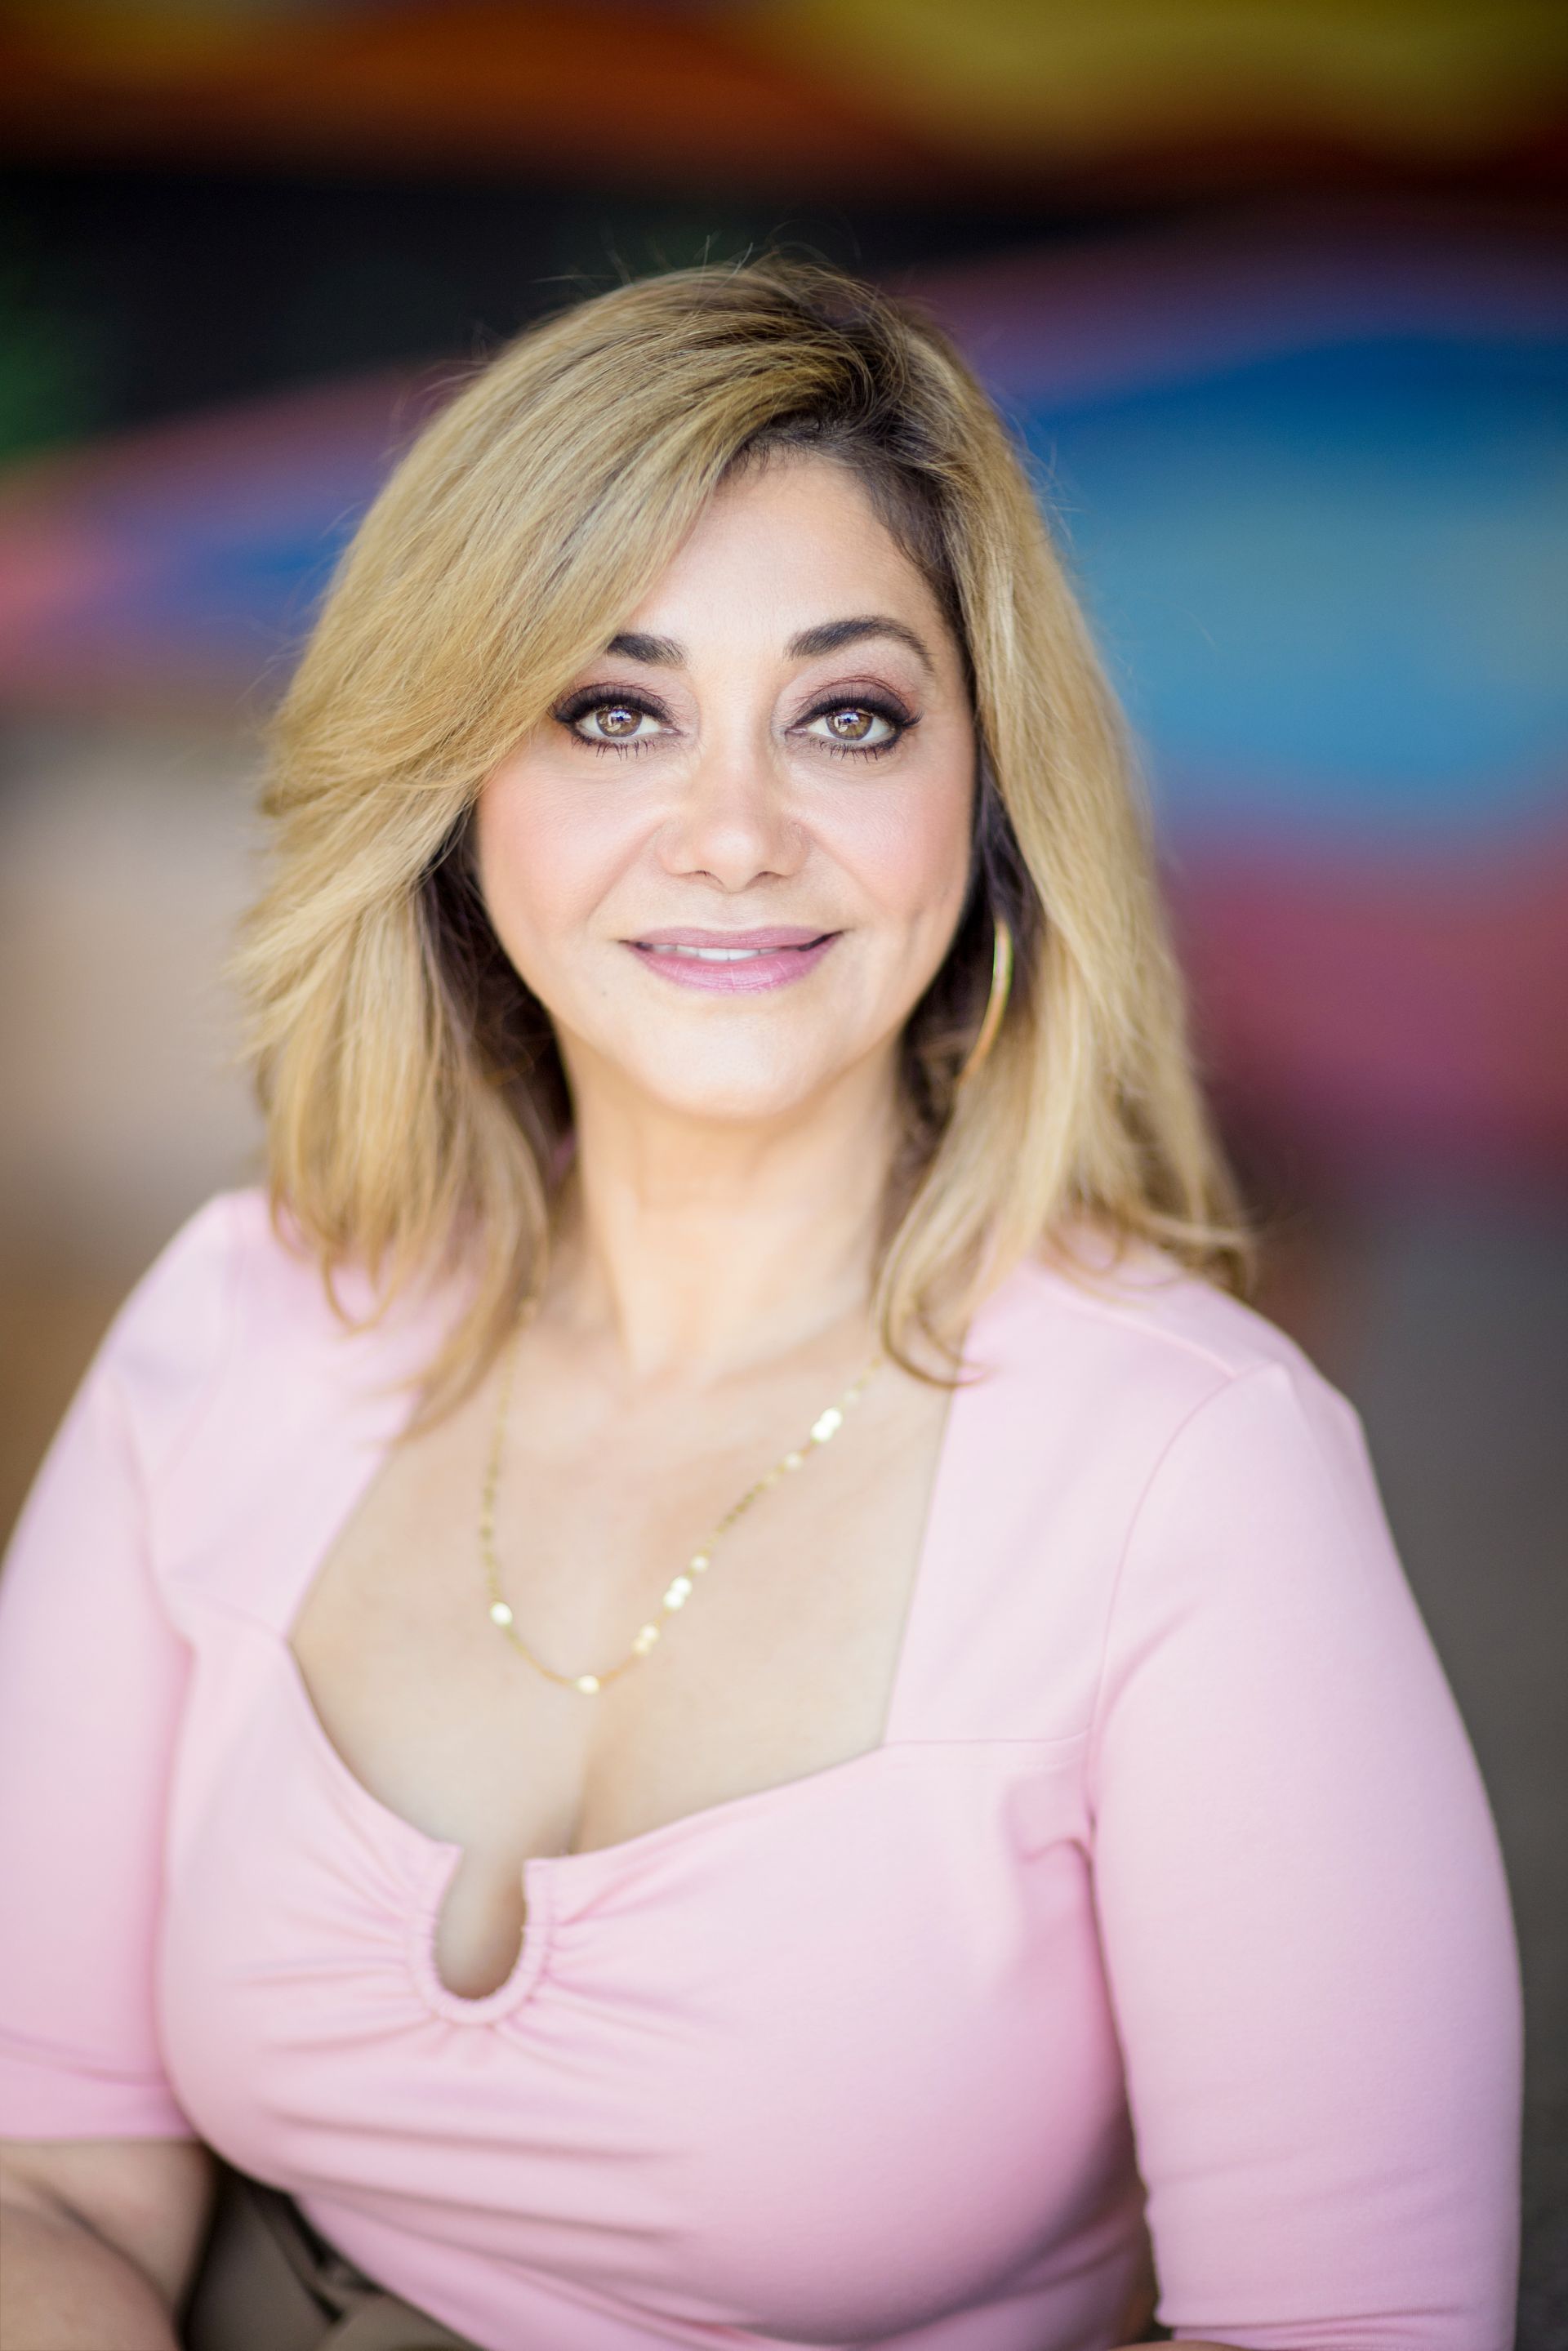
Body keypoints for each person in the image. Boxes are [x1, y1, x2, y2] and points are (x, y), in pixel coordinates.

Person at [0, 260, 1521, 2351]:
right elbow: (48, 2165)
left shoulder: (1194, 1469)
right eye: (612, 711)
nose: (731, 832)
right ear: (458, 799)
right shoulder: (237, 1324)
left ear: (983, 813)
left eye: (850, 714)